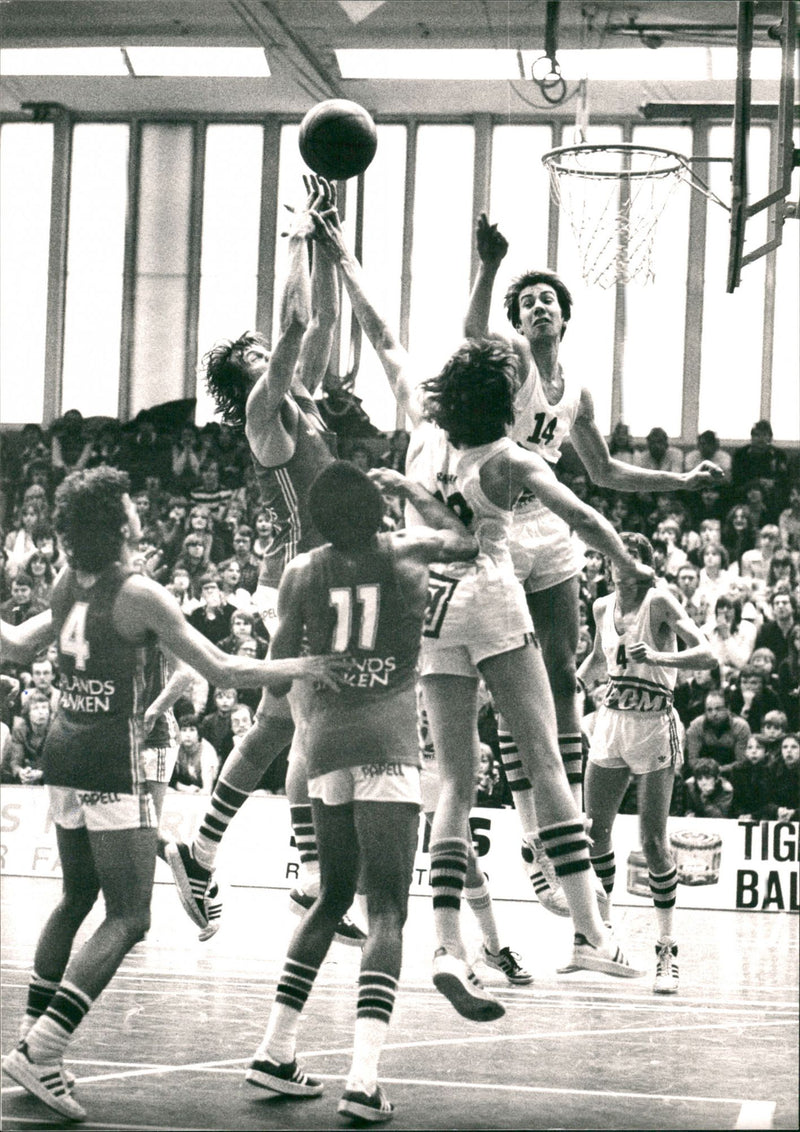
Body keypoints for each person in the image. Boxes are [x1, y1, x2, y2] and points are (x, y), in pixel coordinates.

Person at [0, 466, 344, 1123]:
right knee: (131, 917)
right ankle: (43, 1050)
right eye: (129, 501)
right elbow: (222, 668)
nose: (137, 507)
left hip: (62, 755)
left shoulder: (66, 580)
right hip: (112, 760)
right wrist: (306, 666)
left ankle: (29, 1035)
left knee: (76, 896)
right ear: (119, 520)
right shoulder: (140, 595)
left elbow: (15, 645)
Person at [414, 336, 659, 1018]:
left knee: (456, 782)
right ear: (507, 404)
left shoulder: (428, 444)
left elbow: (385, 344)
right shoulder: (511, 457)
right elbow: (578, 513)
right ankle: (590, 934)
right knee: (547, 761)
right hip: (489, 597)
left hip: (432, 609)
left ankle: (445, 944)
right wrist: (627, 563)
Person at [165, 177, 368, 945]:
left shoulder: (301, 401)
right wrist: (294, 237)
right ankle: (263, 865)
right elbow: (294, 325)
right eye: (253, 351)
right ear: (244, 373)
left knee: (286, 728)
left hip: (327, 577)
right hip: (308, 583)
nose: (268, 347)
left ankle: (236, 858)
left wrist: (323, 240)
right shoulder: (261, 413)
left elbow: (319, 329)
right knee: (294, 727)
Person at [245, 460, 478, 1123]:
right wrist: (415, 492)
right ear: (378, 508)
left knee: (330, 899)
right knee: (386, 913)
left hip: (324, 745)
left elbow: (273, 675)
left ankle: (275, 1049)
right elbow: (469, 544)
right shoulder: (405, 551)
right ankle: (363, 1078)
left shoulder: (299, 572)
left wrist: (323, 670)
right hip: (387, 745)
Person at [577, 532, 715, 995]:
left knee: (653, 842)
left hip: (656, 721)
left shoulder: (658, 601)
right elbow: (599, 658)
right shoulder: (601, 607)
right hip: (614, 720)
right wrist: (571, 684)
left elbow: (708, 654)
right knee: (592, 831)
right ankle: (604, 937)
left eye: (627, 556)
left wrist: (656, 654)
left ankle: (667, 948)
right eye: (612, 554)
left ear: (643, 565)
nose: (616, 563)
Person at [755, 589, 798, 668]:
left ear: (793, 608)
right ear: (773, 609)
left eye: (785, 603)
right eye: (776, 603)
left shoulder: (798, 629)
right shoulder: (765, 630)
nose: (780, 606)